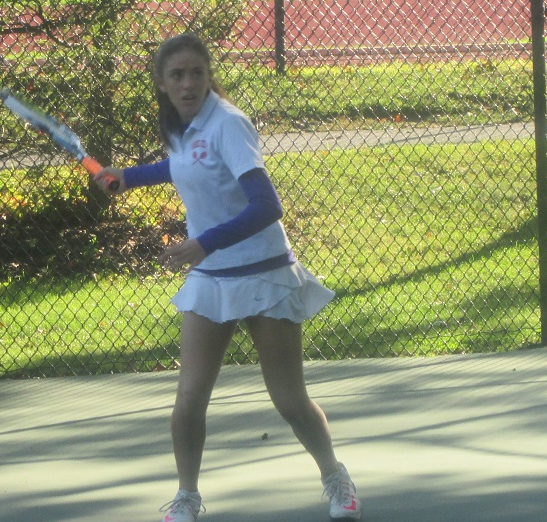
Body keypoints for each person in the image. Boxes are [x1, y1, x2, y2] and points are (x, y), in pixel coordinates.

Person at [95, 33, 362, 522]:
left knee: (289, 400)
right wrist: (129, 177)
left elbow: (267, 206)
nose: (188, 83)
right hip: (212, 278)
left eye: (197, 73)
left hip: (264, 274)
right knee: (189, 398)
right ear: (161, 83)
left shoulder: (229, 124)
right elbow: (187, 166)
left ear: (208, 76)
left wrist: (204, 243)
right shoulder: (181, 127)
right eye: (177, 75)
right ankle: (187, 496)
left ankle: (335, 477)